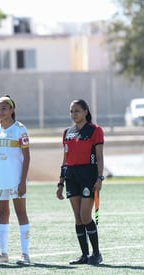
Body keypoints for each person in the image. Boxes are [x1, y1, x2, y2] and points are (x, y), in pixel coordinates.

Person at [56, 99, 104, 265]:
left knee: (85, 215)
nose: (73, 114)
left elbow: (99, 157)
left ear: (85, 111)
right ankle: (84, 255)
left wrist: (100, 178)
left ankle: (96, 254)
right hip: (71, 175)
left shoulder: (95, 130)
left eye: (77, 111)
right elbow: (65, 158)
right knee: (77, 217)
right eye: (71, 111)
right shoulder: (67, 132)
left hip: (88, 175)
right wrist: (60, 182)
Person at [0, 95, 31, 265]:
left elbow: (27, 157)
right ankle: (3, 254)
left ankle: (25, 254)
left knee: (21, 213)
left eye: (4, 108)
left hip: (15, 179)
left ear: (12, 110)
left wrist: (22, 181)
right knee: (2, 214)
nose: (0, 111)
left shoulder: (20, 129)